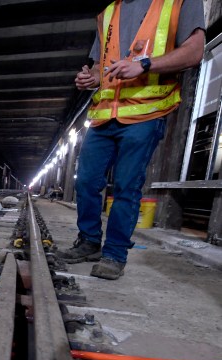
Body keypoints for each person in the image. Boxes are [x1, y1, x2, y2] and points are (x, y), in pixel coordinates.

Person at [61, 0, 205, 280]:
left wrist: (146, 65)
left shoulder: (177, 3)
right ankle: (89, 242)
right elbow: (102, 65)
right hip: (104, 115)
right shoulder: (108, 13)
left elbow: (194, 51)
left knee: (127, 185)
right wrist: (89, 77)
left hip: (145, 112)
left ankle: (114, 254)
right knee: (86, 180)